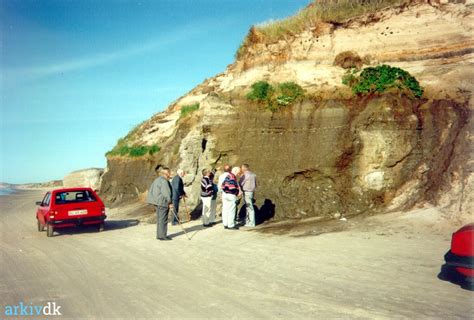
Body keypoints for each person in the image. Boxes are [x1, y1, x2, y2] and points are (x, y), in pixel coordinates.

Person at [147, 167, 173, 241]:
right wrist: (170, 202)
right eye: (169, 172)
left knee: (159, 219)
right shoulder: (164, 181)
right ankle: (162, 236)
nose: (170, 174)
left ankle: (159, 235)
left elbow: (151, 190)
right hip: (162, 202)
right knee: (163, 219)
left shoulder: (157, 180)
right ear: (166, 173)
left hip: (157, 202)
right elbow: (166, 193)